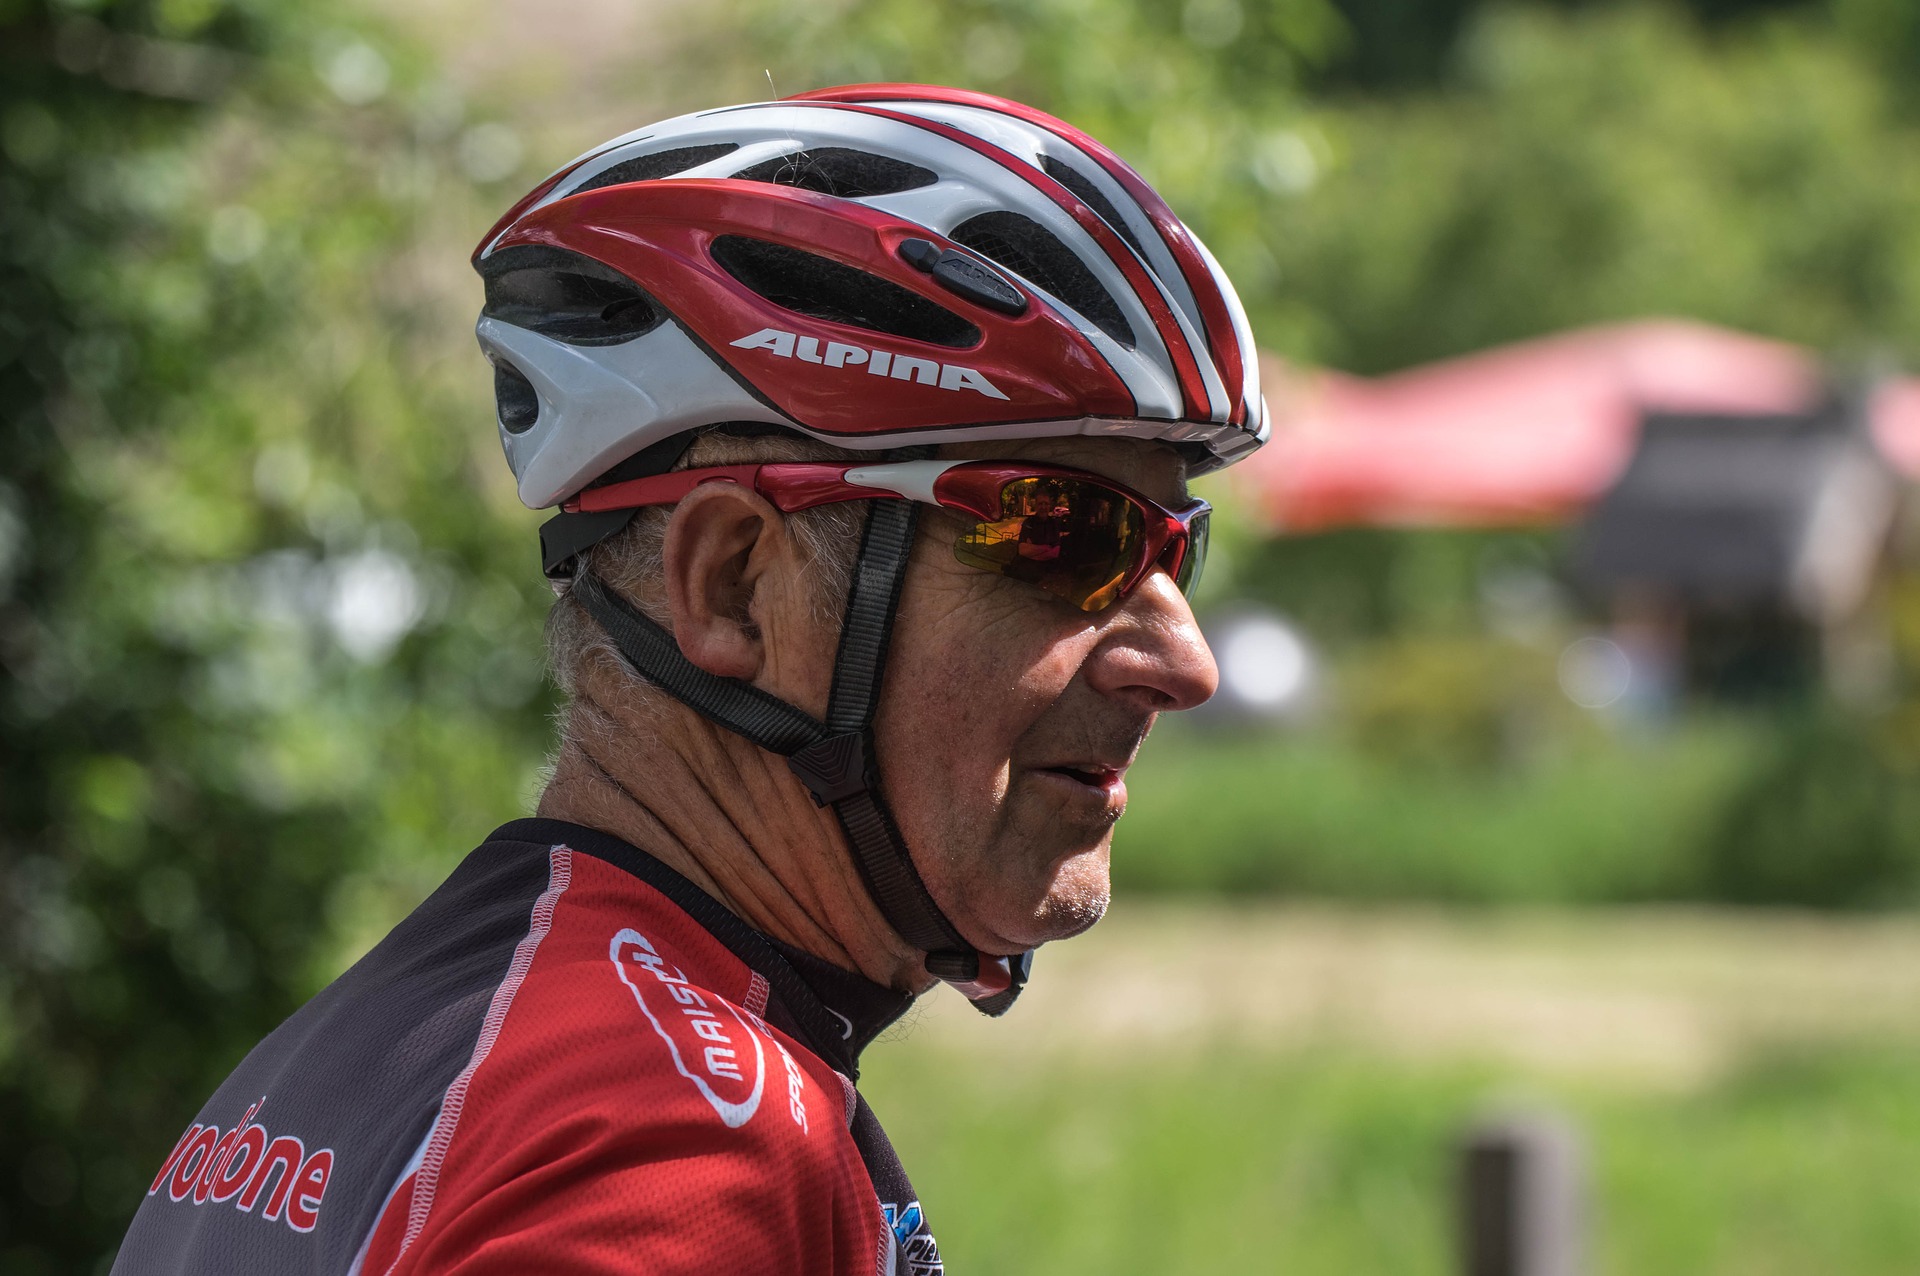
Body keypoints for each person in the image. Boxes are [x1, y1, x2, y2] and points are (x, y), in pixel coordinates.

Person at [111, 83, 1265, 1275]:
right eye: (1064, 535)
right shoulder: (672, 1147)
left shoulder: (391, 1041)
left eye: (1177, 548)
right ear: (733, 584)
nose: (1185, 664)